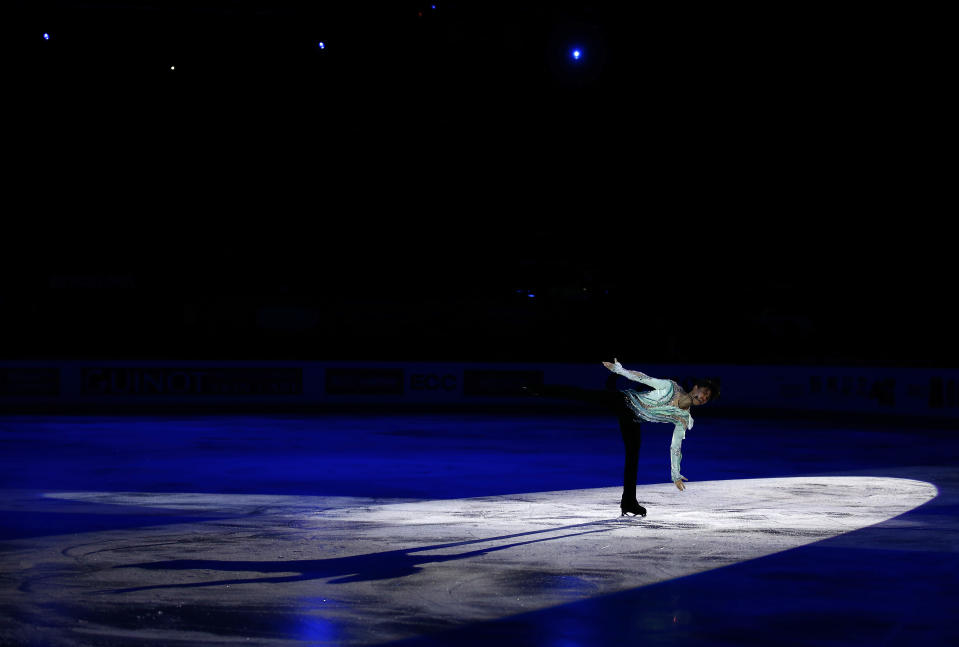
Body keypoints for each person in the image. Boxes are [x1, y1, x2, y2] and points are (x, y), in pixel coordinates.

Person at [524, 359, 719, 517]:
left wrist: (675, 473)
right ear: (695, 387)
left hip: (633, 418)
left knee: (633, 456)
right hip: (624, 401)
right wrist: (620, 370)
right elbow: (644, 378)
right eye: (704, 393)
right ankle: (540, 390)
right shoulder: (670, 388)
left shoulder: (684, 418)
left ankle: (629, 502)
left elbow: (675, 446)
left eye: (707, 398)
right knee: (583, 394)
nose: (703, 398)